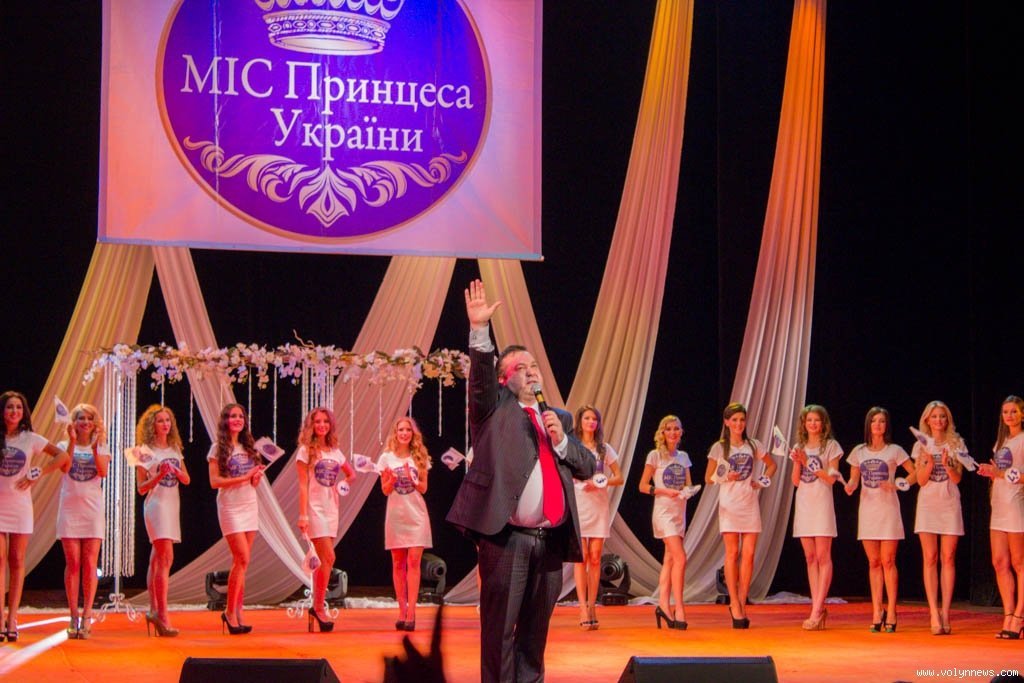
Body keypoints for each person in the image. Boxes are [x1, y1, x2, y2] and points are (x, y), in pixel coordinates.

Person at [446, 279, 596, 683]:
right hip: (507, 539)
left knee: (535, 635)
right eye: (521, 368)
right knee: (500, 632)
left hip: (549, 542)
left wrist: (562, 442)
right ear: (504, 380)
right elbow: (479, 380)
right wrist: (479, 330)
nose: (531, 373)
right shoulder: (493, 411)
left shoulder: (559, 419)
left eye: (534, 368)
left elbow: (588, 466)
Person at [0, 390, 65, 642]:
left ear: (23, 412)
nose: (14, 411)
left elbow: (62, 456)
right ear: (2, 411)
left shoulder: (30, 438)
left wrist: (39, 472)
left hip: (20, 506)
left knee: (16, 560)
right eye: (9, 407)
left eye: (18, 407)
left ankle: (13, 618)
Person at [704, 402, 777, 629]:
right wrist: (726, 477)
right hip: (729, 505)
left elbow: (771, 465)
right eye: (734, 420)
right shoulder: (720, 447)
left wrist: (760, 482)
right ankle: (734, 601)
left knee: (749, 554)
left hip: (749, 503)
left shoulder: (753, 445)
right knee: (732, 552)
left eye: (742, 420)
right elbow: (708, 478)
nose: (738, 424)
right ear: (726, 422)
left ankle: (743, 600)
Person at [844, 406, 915, 633]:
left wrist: (897, 485)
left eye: (882, 421)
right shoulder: (859, 452)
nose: (877, 425)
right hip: (868, 511)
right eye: (874, 421)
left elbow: (914, 473)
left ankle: (892, 610)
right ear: (868, 424)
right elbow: (854, 480)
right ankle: (877, 610)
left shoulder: (895, 450)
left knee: (888, 561)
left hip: (888, 511)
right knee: (874, 562)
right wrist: (849, 486)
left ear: (886, 425)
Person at [207, 403, 265, 635]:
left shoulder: (249, 447)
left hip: (249, 504)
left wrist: (255, 478)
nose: (238, 419)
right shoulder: (217, 448)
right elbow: (214, 482)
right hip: (230, 506)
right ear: (225, 420)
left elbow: (252, 482)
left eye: (241, 416)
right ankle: (229, 612)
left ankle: (238, 611)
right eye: (233, 416)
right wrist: (244, 477)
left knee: (242, 563)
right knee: (241, 557)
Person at [296, 406, 354, 633]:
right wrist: (303, 515)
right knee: (329, 556)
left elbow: (351, 474)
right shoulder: (305, 451)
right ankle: (319, 607)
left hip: (331, 508)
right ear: (311, 425)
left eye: (325, 422)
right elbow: (302, 485)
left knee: (325, 560)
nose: (322, 425)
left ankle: (317, 606)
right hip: (314, 508)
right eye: (317, 422)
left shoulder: (335, 452)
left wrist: (343, 484)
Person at [134, 404, 190, 637]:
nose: (165, 424)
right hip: (156, 506)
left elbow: (186, 479)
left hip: (172, 505)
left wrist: (175, 472)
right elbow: (141, 488)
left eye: (168, 420)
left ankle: (153, 610)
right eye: (160, 421)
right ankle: (163, 615)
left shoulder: (175, 448)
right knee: (166, 557)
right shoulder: (142, 451)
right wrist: (158, 475)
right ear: (152, 425)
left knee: (157, 560)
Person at [57, 403, 111, 640]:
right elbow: (65, 467)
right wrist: (71, 442)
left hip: (92, 509)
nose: (86, 422)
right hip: (70, 508)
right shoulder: (62, 446)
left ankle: (87, 615)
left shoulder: (102, 446)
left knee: (90, 563)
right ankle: (73, 616)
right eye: (81, 418)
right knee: (73, 562)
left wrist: (96, 448)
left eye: (89, 418)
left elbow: (102, 471)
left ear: (95, 422)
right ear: (74, 422)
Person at [912, 400, 965, 636]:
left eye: (942, 416)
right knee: (930, 557)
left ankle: (945, 612)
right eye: (934, 416)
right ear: (927, 420)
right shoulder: (921, 445)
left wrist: (947, 465)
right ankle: (933, 612)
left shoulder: (956, 443)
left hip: (949, 503)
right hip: (928, 505)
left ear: (947, 419)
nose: (938, 420)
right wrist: (929, 464)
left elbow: (957, 478)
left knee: (948, 557)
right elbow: (921, 480)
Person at [789, 404, 843, 631]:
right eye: (809, 420)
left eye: (816, 420)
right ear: (804, 424)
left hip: (821, 504)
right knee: (810, 558)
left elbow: (830, 479)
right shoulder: (799, 447)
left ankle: (817, 609)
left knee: (823, 556)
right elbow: (795, 481)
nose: (813, 424)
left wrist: (807, 462)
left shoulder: (831, 446)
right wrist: (797, 462)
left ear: (823, 423)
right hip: (804, 503)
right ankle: (817, 606)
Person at [378, 416, 432, 632]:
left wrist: (414, 479)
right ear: (395, 433)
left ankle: (412, 613)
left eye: (408, 430)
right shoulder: (386, 458)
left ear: (413, 434)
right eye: (401, 430)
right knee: (398, 563)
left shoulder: (419, 456)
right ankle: (402, 610)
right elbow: (384, 490)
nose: (404, 433)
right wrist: (391, 481)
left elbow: (424, 488)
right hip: (396, 515)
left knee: (414, 561)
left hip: (416, 514)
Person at [572, 405, 624, 631]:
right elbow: (565, 473)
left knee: (595, 558)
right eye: (587, 418)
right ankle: (582, 607)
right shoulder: (573, 446)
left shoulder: (604, 448)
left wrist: (601, 482)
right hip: (579, 503)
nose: (591, 422)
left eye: (594, 419)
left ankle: (593, 605)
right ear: (580, 421)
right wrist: (581, 483)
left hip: (598, 505)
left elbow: (619, 477)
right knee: (581, 558)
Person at [638, 414, 692, 630]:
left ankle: (663, 605)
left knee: (670, 559)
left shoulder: (684, 457)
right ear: (662, 432)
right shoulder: (655, 456)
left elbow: (688, 484)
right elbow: (643, 486)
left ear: (681, 432)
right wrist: (664, 491)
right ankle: (679, 608)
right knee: (680, 557)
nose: (672, 432)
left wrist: (687, 491)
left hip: (679, 513)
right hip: (663, 513)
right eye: (668, 429)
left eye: (676, 429)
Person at [978, 395, 1024, 639]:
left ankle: (1019, 616)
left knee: (1019, 563)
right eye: (1006, 412)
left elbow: (1018, 475)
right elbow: (1001, 472)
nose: (1009, 416)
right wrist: (990, 472)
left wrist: (1001, 473)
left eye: (1014, 411)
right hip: (998, 505)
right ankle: (1008, 613)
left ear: (1022, 414)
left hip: (1016, 504)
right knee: (999, 562)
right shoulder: (1002, 441)